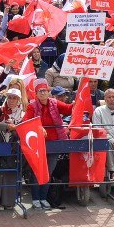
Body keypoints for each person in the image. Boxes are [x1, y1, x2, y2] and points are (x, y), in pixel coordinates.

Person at [23, 79, 72, 209]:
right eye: (40, 91)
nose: (43, 93)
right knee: (37, 172)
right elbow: (26, 122)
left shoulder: (55, 103)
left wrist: (79, 100)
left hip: (54, 144)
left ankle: (43, 198)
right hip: (38, 145)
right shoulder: (31, 106)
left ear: (48, 92)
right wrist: (38, 127)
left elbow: (68, 109)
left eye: (45, 90)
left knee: (48, 173)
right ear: (36, 93)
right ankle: (35, 199)